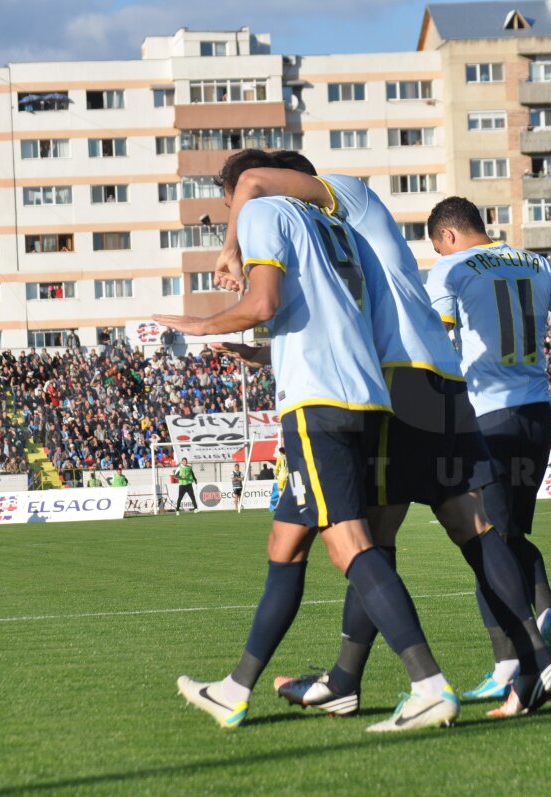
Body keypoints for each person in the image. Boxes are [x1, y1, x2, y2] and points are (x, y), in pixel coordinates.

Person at [212, 153, 551, 720]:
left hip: (397, 381)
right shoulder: (329, 232)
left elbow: (257, 184)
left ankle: (382, 681)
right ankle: (532, 662)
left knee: (367, 540)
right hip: (436, 375)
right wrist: (263, 352)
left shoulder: (338, 199)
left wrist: (233, 247)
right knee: (466, 522)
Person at [154, 149, 459, 732]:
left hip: (318, 402)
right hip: (364, 394)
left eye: (230, 204)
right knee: (286, 542)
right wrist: (261, 350)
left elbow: (262, 304)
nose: (233, 215)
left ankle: (428, 685)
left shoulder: (266, 212)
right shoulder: (331, 223)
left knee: (348, 545)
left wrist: (194, 325)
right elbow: (321, 316)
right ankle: (236, 688)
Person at [424, 196, 551, 711]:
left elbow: (437, 340)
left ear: (448, 236)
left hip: (487, 416)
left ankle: (521, 659)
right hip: (536, 414)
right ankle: (529, 642)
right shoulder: (536, 262)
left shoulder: (450, 268)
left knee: (487, 540)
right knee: (507, 536)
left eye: (437, 244)